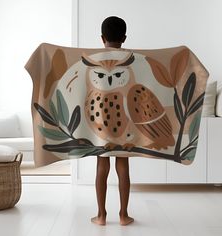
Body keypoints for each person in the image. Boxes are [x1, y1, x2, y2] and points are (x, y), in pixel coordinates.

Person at [91, 16, 134, 226]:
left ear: (102, 38)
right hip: (124, 120)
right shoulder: (132, 59)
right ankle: (124, 215)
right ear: (124, 38)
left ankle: (101, 216)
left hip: (100, 121)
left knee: (101, 164)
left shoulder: (93, 59)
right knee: (123, 163)